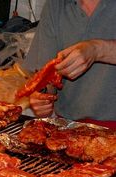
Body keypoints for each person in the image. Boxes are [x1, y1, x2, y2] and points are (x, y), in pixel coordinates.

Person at [23, 0, 116, 128]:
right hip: (68, 128)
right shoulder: (56, 5)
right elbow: (47, 74)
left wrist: (97, 49)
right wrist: (42, 96)